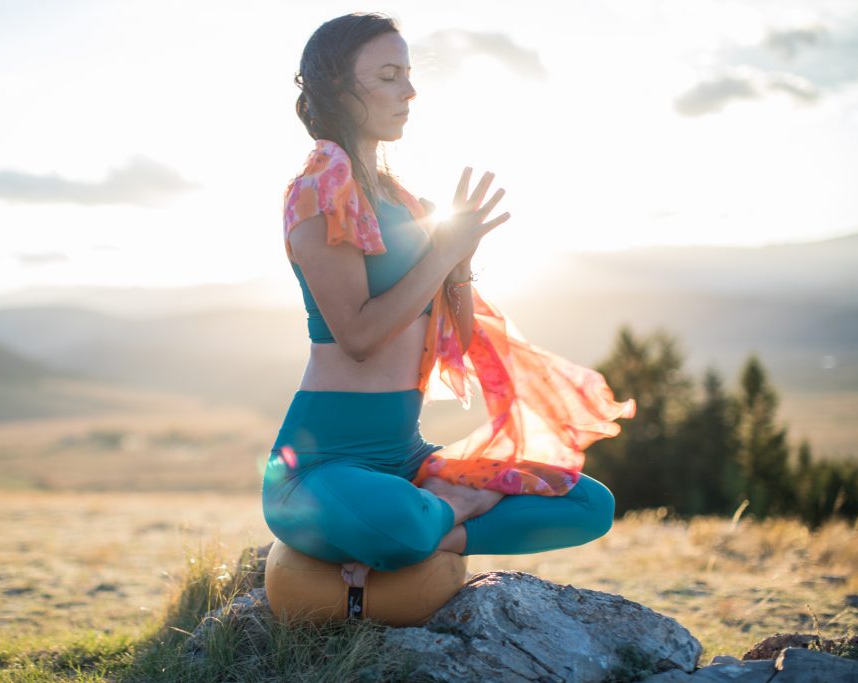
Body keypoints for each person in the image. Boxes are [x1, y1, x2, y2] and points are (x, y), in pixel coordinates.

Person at [262, 12, 633, 590]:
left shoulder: (403, 201)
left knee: (587, 502)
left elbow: (453, 338)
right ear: (338, 87)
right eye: (388, 75)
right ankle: (441, 514)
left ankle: (434, 529)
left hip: (409, 458)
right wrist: (441, 251)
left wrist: (458, 265)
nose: (409, 91)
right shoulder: (317, 190)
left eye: (407, 74)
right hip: (320, 465)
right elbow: (358, 338)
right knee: (393, 520)